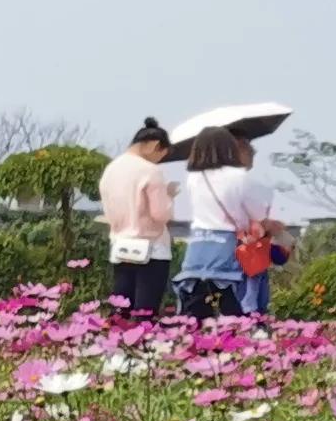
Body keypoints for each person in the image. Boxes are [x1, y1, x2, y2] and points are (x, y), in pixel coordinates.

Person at [171, 129, 275, 325]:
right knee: (233, 308)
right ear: (229, 147)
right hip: (226, 247)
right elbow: (257, 214)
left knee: (197, 310)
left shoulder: (194, 178)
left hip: (198, 247)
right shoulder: (238, 176)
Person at [97, 120, 175, 315]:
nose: (158, 161)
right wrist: (169, 196)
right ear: (155, 145)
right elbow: (160, 214)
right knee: (145, 312)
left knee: (121, 307)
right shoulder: (150, 171)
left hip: (121, 245)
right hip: (151, 248)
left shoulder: (111, 169)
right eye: (160, 156)